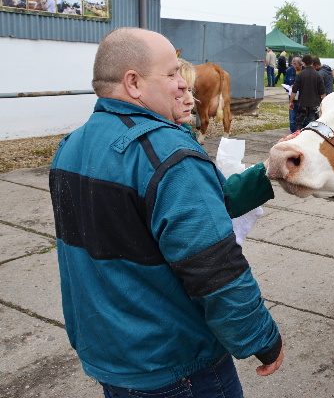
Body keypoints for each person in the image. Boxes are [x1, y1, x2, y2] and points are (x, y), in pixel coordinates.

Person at [49, 28, 284, 398]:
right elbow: (215, 269)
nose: (182, 84)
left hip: (113, 359)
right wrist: (261, 338)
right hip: (177, 367)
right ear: (134, 83)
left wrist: (265, 173)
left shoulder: (69, 147)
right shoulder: (169, 154)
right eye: (172, 73)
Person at [290, 54, 324, 129]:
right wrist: (324, 104)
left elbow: (294, 90)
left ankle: (298, 138)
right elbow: (322, 92)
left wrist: (291, 102)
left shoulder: (300, 75)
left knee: (299, 123)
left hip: (302, 103)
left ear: (303, 63)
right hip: (314, 104)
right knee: (314, 125)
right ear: (312, 63)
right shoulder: (318, 75)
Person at [285, 56, 302, 132]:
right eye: (294, 67)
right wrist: (289, 87)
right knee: (292, 119)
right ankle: (292, 134)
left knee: (302, 119)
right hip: (292, 99)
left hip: (302, 99)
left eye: (298, 67)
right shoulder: (289, 71)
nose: (296, 69)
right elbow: (285, 82)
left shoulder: (304, 71)